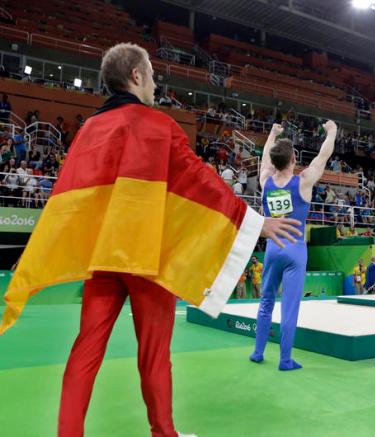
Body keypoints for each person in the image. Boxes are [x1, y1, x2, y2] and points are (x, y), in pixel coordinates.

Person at [0, 43, 302, 437]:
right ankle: (163, 433)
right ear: (136, 76)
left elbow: (71, 194)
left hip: (104, 258)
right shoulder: (160, 126)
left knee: (85, 350)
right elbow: (200, 181)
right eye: (154, 75)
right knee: (155, 358)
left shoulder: (90, 129)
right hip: (150, 259)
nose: (157, 84)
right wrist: (253, 222)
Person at [250, 119, 337, 371]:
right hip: (295, 249)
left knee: (266, 301)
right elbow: (323, 155)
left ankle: (257, 352)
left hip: (273, 248)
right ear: (293, 160)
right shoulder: (303, 182)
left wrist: (272, 133)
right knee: (289, 306)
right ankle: (285, 360)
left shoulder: (265, 181)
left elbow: (264, 159)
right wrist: (331, 132)